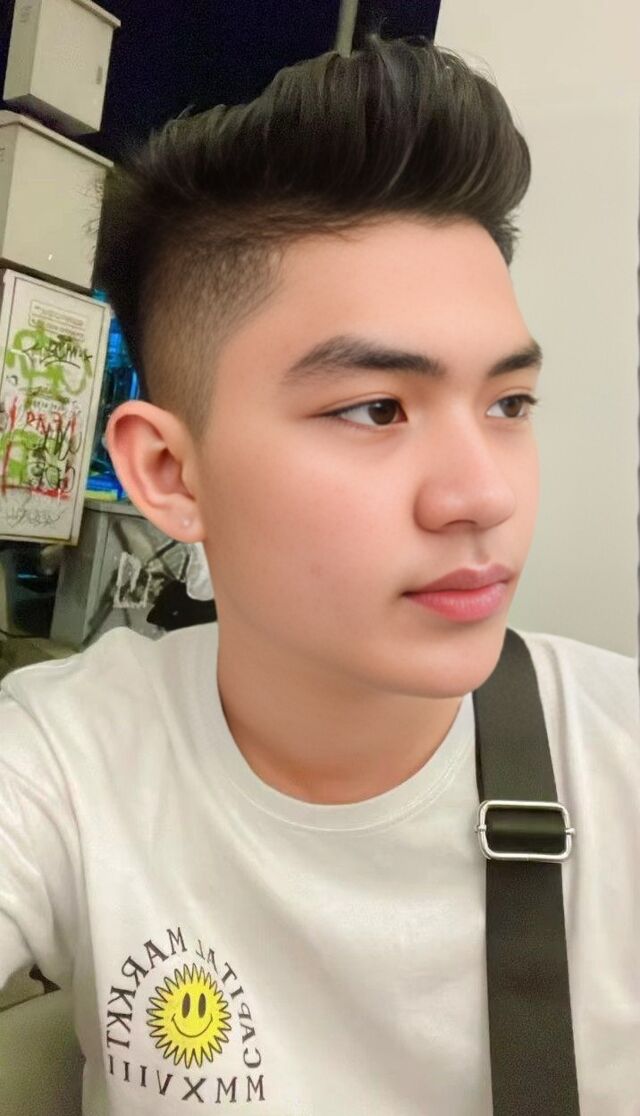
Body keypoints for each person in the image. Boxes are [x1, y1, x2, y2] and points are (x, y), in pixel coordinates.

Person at [1, 28, 638, 1116]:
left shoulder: (617, 760)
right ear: (170, 472)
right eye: (375, 409)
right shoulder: (70, 760)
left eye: (508, 403)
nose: (481, 494)